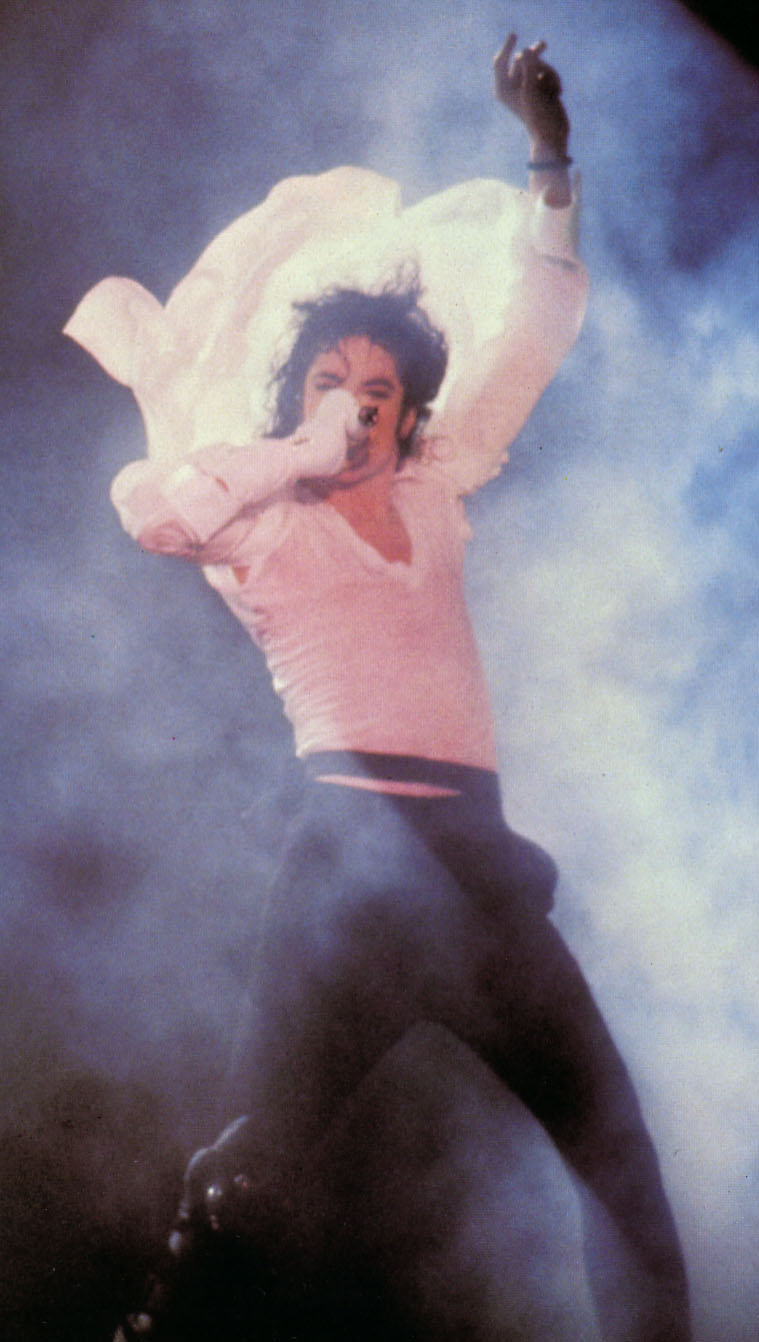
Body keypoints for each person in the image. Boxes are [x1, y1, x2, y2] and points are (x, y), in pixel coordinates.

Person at [67, 35, 691, 1342]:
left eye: (377, 392)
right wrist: (294, 451)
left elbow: (539, 321)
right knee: (250, 1183)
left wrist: (549, 150)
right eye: (328, 384)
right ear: (294, 401)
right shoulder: (263, 519)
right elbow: (153, 512)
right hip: (349, 882)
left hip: (479, 875)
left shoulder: (436, 492)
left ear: (412, 418)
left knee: (622, 1169)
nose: (354, 411)